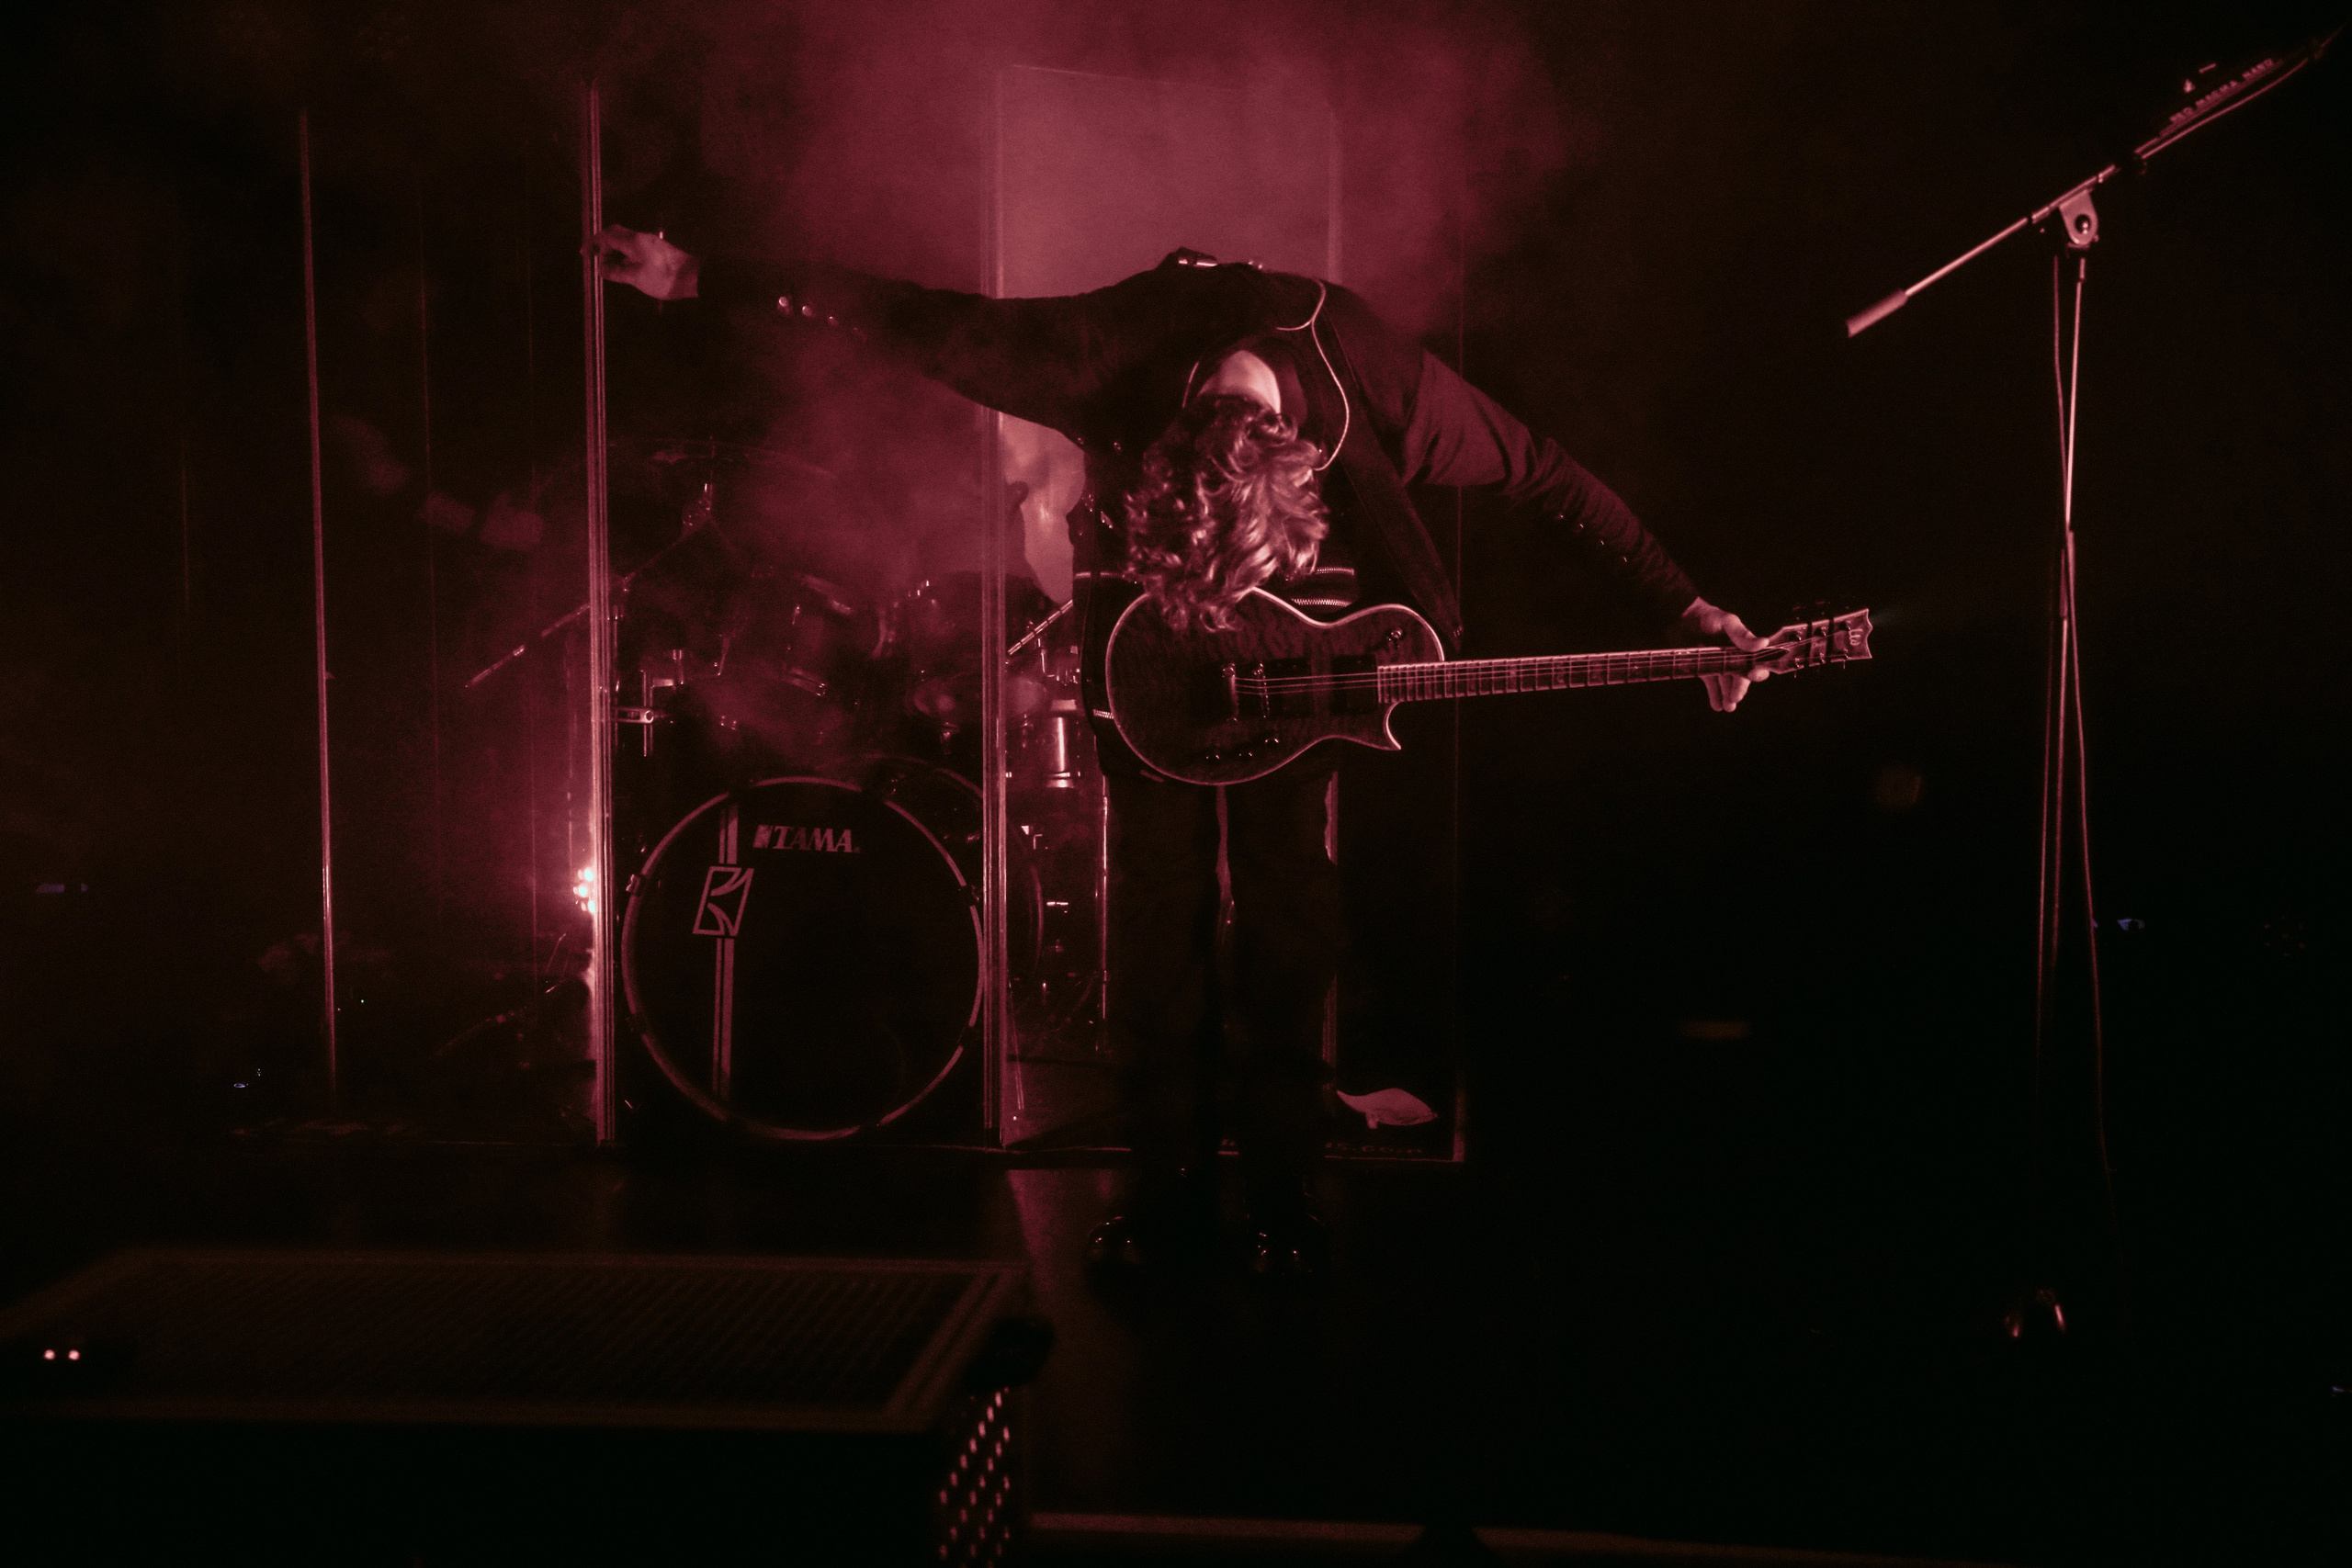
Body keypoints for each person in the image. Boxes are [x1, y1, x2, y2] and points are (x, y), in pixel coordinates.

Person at [593, 226, 1766, 1278]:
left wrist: (1687, 604)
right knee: (1158, 919)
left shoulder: (1382, 385)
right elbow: (900, 311)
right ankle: (1160, 1190)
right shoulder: (1092, 355)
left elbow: (1548, 476)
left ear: (1303, 469)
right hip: (1146, 654)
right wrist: (701, 275)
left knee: (1286, 911)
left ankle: (1282, 1180)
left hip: (1303, 654)